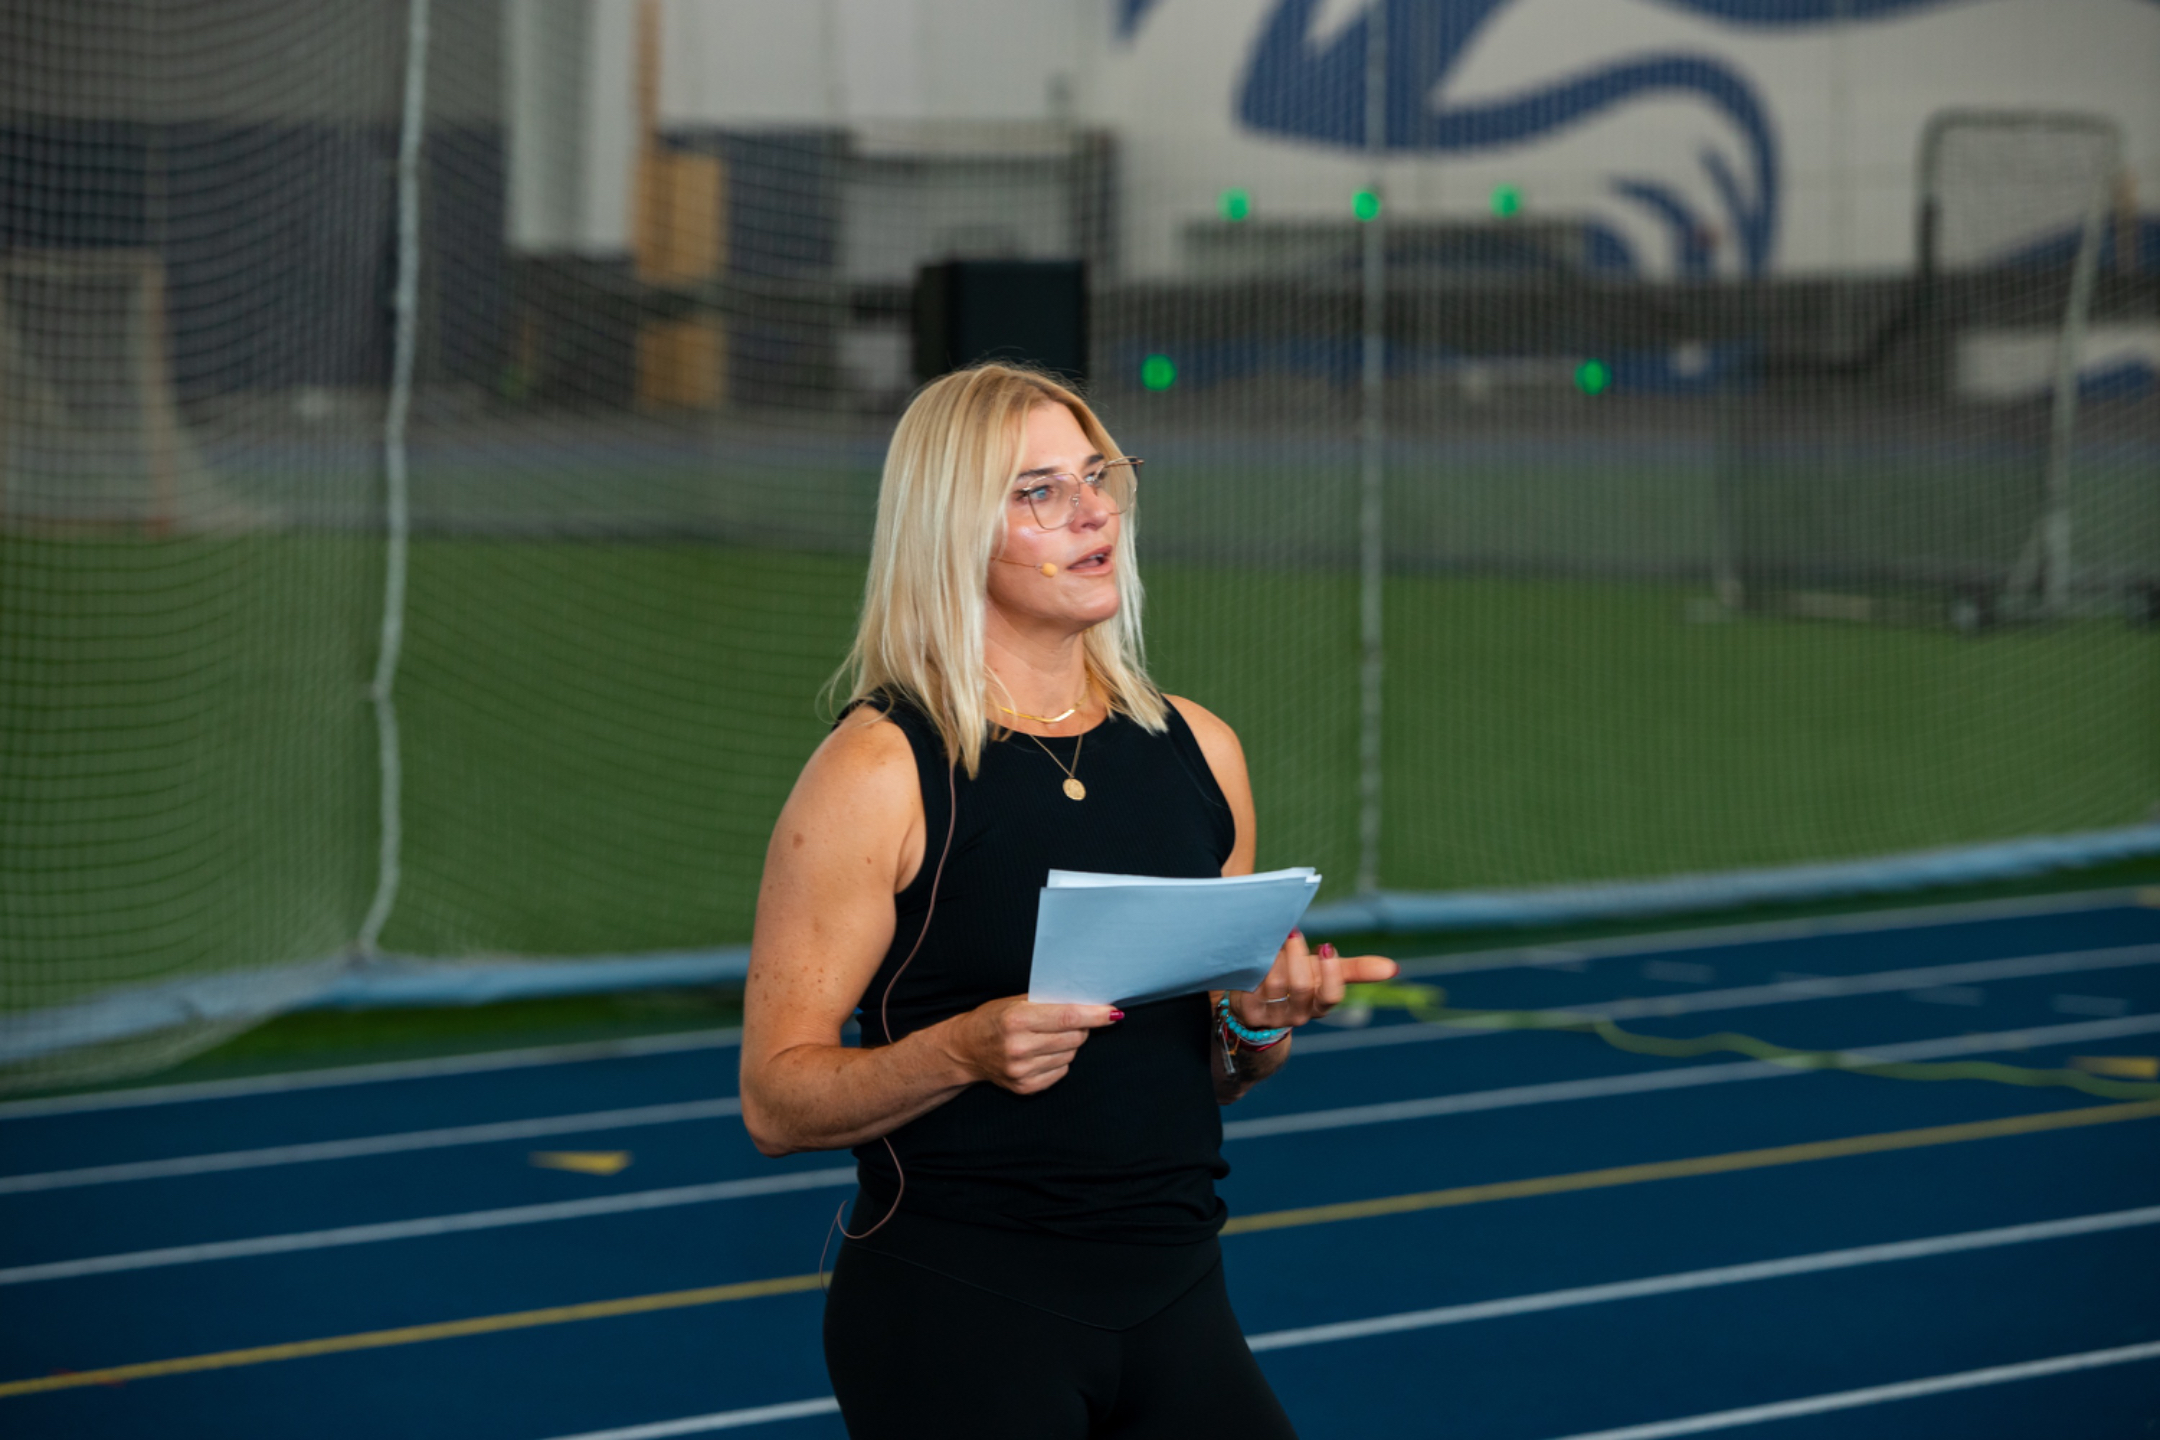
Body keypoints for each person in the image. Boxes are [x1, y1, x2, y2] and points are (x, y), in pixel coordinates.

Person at [739, 362, 1397, 1439]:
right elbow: (775, 1101)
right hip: (957, 1311)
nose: (1093, 511)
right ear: (951, 531)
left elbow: (1209, 1074)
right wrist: (963, 1050)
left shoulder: (1200, 748)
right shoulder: (879, 770)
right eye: (1038, 491)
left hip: (1178, 1292)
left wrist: (1257, 1027)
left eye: (1098, 475)